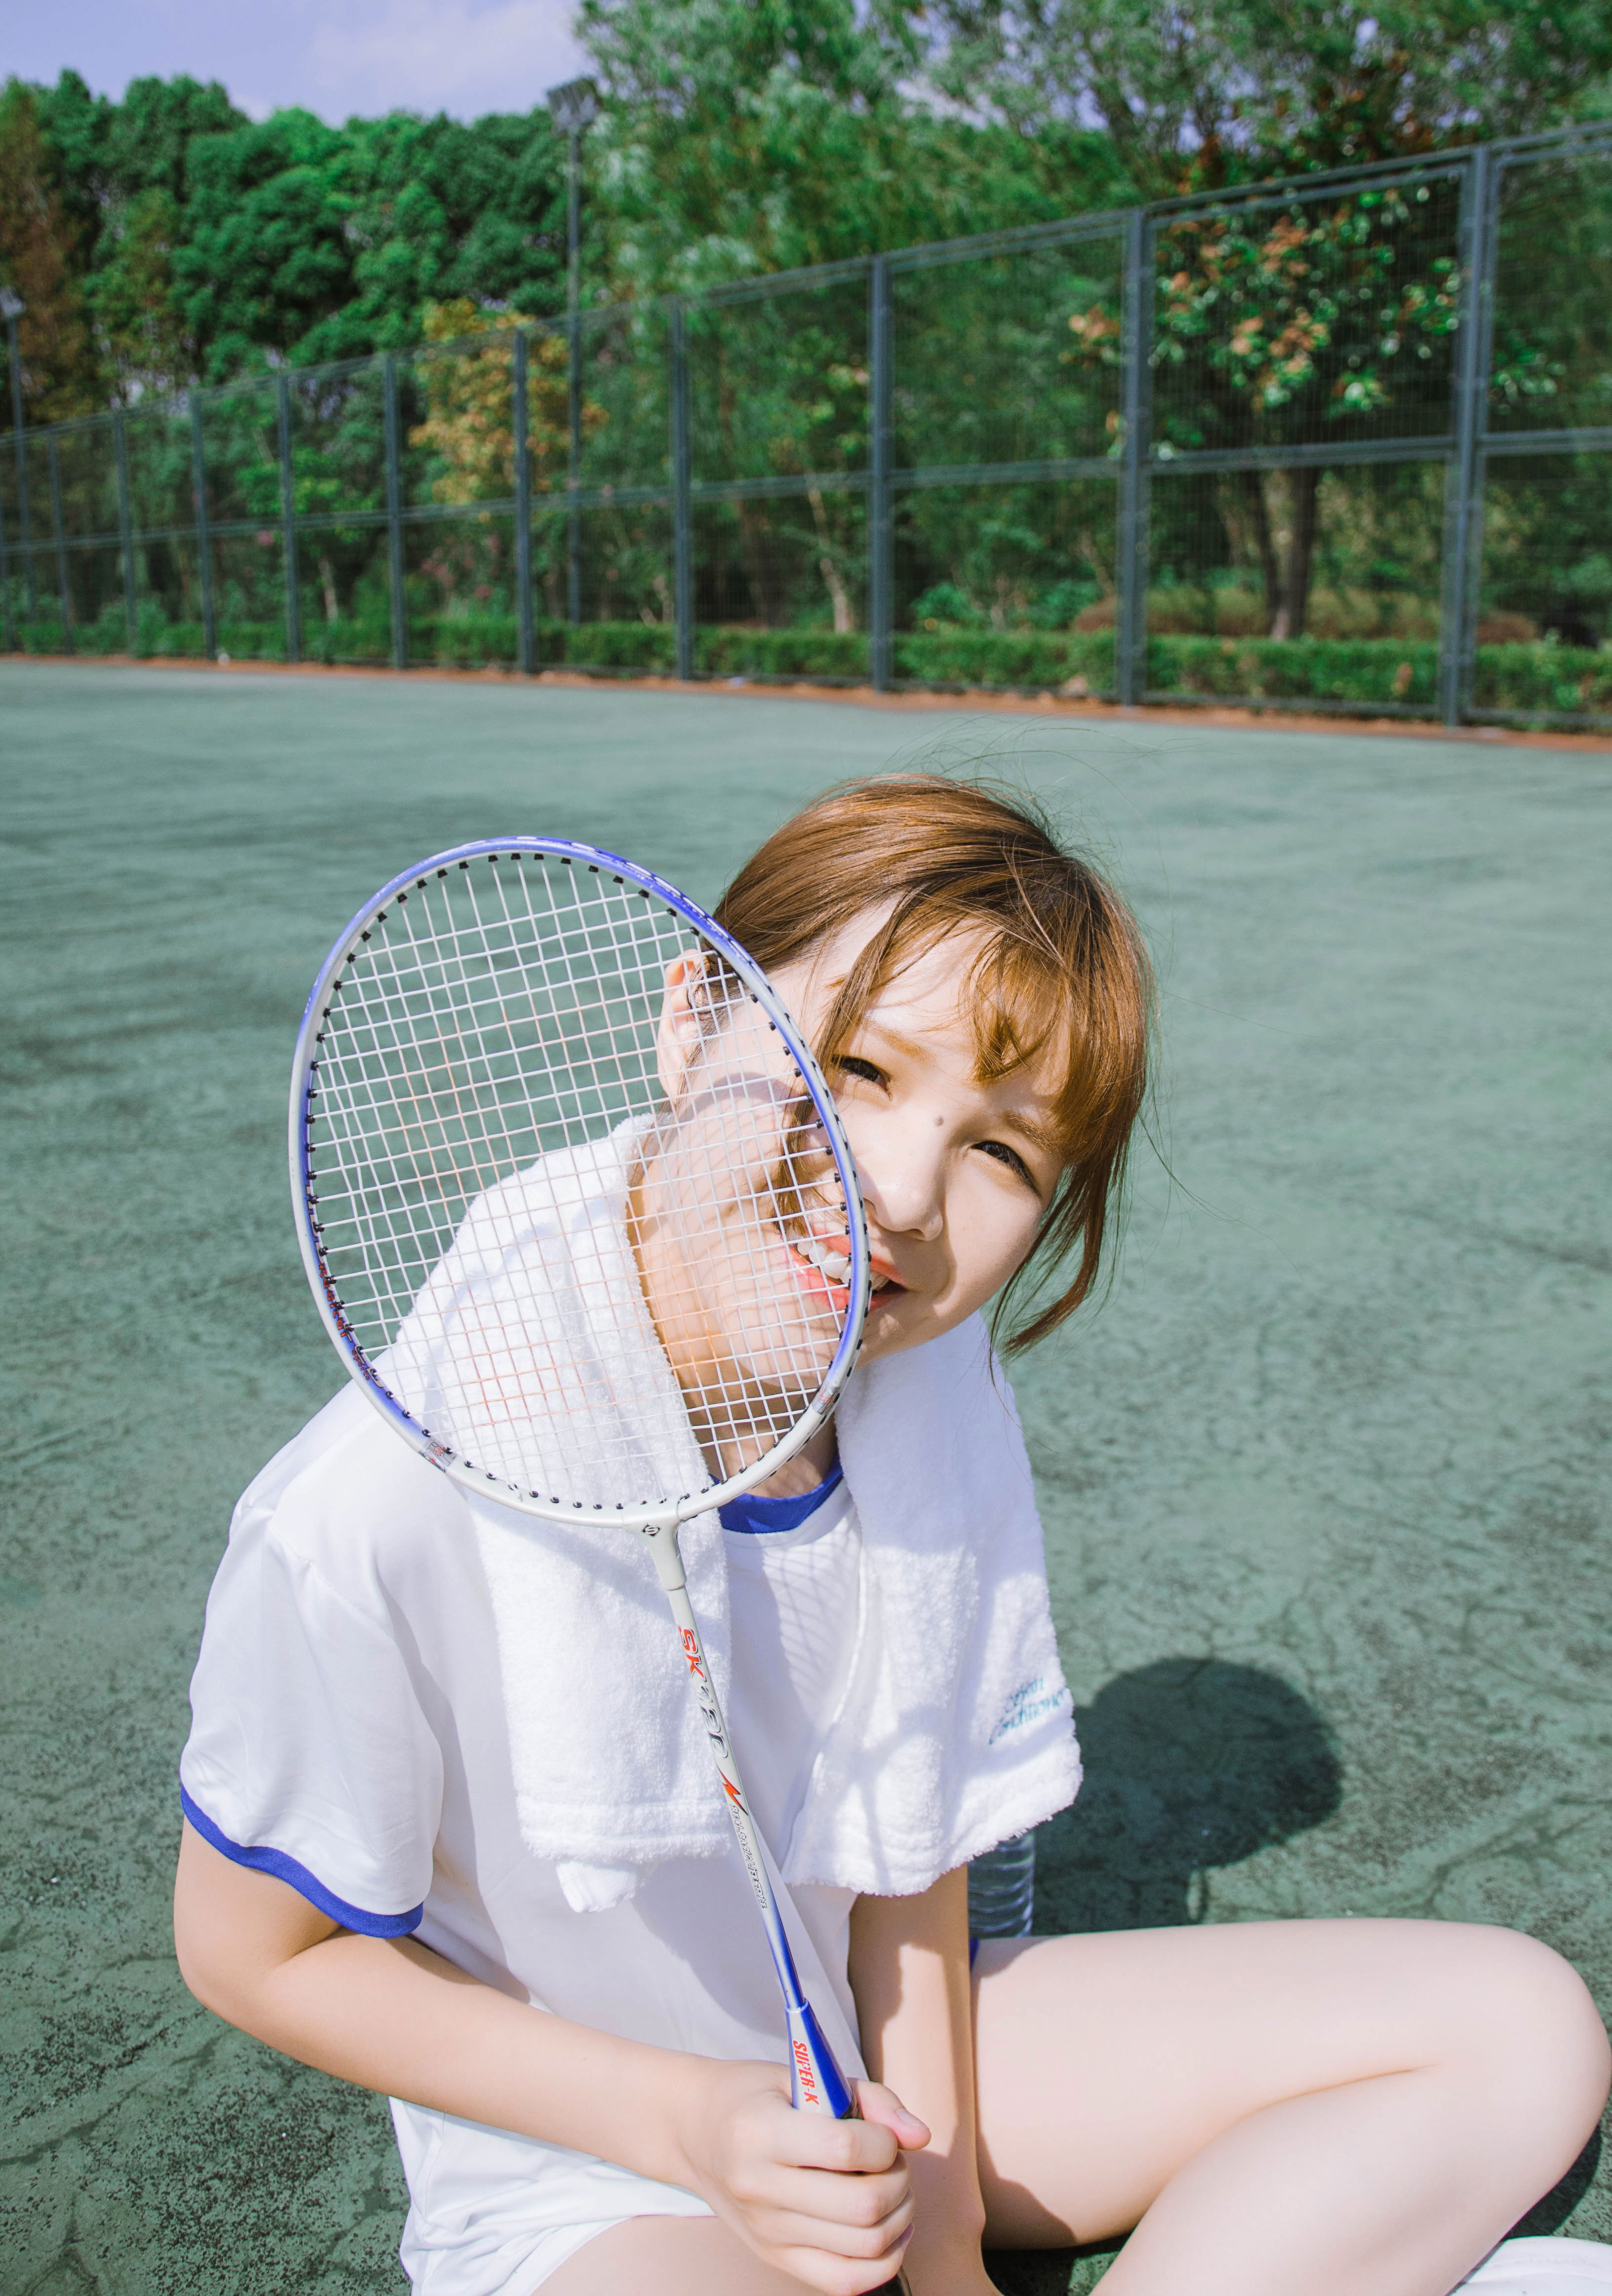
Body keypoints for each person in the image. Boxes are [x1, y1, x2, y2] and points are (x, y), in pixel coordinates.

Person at [173, 776, 1611, 2296]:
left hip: (862, 2065)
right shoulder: (369, 1505)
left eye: (1006, 1154)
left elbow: (901, 1846)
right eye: (853, 1064)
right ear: (691, 1018)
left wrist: (944, 2260)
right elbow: (251, 1953)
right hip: (590, 2174)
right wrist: (694, 2121)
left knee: (1516, 2030)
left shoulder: (929, 1404)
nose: (904, 1192)